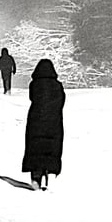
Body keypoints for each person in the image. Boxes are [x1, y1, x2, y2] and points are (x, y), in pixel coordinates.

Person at [21, 58, 65, 189]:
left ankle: (36, 176)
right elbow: (61, 101)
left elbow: (33, 98)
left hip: (36, 120)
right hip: (54, 121)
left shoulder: (34, 84)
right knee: (51, 148)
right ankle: (48, 174)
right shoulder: (57, 85)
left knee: (35, 147)